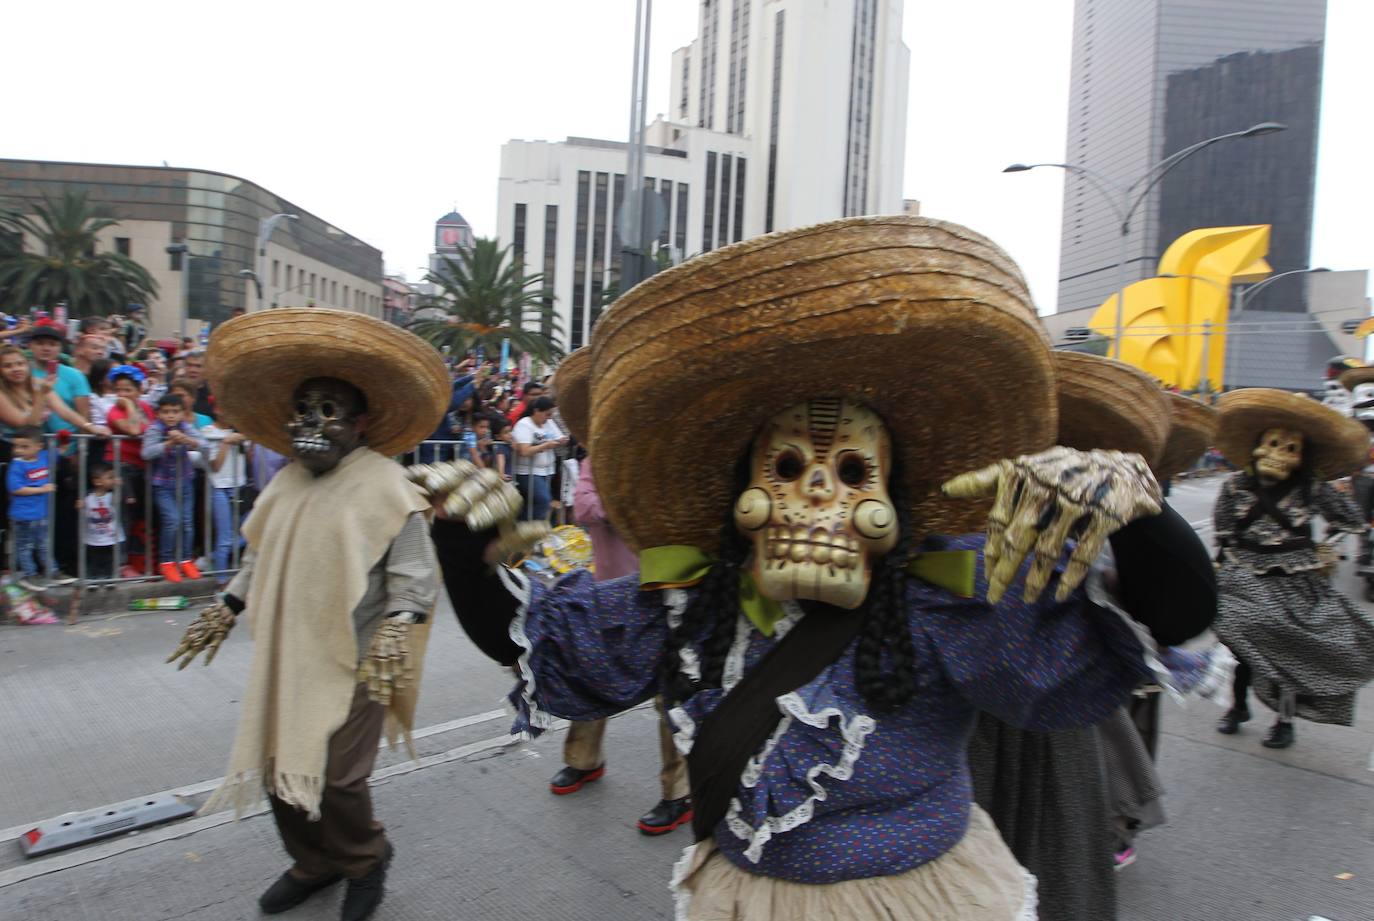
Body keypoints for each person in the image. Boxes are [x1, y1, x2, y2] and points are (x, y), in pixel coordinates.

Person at [429, 216, 1216, 921]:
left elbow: (1173, 620)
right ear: (744, 496)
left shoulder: (942, 597)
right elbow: (533, 646)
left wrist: (1141, 513)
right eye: (788, 466)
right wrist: (468, 544)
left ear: (893, 501)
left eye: (850, 472)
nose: (816, 494)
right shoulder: (692, 599)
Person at [166, 307, 450, 921]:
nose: (310, 424)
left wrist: (398, 626)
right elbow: (262, 554)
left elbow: (414, 577)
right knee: (279, 769)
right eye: (303, 409)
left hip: (359, 660)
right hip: (290, 655)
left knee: (340, 781)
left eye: (328, 410)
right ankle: (313, 863)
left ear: (361, 421)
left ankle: (364, 857)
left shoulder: (387, 486)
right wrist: (226, 604)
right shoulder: (288, 482)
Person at [545, 349, 694, 834]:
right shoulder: (596, 455)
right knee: (589, 670)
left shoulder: (674, 451)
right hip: (610, 589)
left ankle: (679, 792)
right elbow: (585, 506)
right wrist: (627, 505)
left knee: (671, 694)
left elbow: (676, 514)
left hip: (667, 591)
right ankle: (585, 759)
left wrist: (627, 504)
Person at [1212, 388, 1374, 749]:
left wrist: (1326, 544)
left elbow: (1352, 520)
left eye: (1290, 448)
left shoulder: (1310, 488)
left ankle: (1284, 721)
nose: (1278, 454)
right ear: (1257, 446)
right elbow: (1224, 532)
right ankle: (1237, 707)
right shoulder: (1236, 485)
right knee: (1242, 645)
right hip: (1246, 575)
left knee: (1289, 651)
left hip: (1295, 580)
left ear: (1302, 456)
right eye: (1273, 444)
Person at [142, 393, 207, 583]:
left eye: (175, 412)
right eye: (166, 412)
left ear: (182, 414)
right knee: (172, 521)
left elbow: (204, 445)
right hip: (162, 484)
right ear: (159, 414)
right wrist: (168, 443)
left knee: (187, 522)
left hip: (185, 482)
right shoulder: (154, 429)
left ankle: (186, 559)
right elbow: (146, 453)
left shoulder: (186, 428)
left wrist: (188, 441)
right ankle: (167, 561)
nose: (171, 416)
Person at [7, 426, 55, 591]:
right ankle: (29, 575)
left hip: (40, 513)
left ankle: (52, 571)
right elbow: (16, 489)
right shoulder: (16, 465)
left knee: (43, 544)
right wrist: (42, 489)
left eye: (24, 446)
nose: (18, 450)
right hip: (22, 515)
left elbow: (59, 454)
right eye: (16, 446)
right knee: (25, 547)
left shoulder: (43, 457)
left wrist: (63, 441)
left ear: (38, 446)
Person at [202, 418, 247, 575]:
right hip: (219, 486)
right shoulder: (208, 431)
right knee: (224, 537)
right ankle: (221, 581)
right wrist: (226, 443)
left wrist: (245, 437)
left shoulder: (242, 430)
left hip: (240, 486)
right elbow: (215, 466)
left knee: (250, 530)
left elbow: (248, 458)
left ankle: (212, 556)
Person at [511, 396, 564, 522]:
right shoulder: (524, 424)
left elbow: (559, 437)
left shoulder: (548, 423)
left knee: (541, 502)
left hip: (546, 471)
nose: (549, 418)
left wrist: (562, 440)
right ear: (536, 411)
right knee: (544, 501)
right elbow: (524, 451)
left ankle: (530, 529)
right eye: (547, 414)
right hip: (528, 472)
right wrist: (545, 445)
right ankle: (525, 528)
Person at [80, 461, 125, 580]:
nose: (113, 480)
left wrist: (117, 487)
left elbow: (117, 500)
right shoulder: (87, 497)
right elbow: (81, 508)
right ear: (97, 481)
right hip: (93, 538)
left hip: (110, 537)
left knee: (110, 560)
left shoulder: (111, 496)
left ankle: (109, 578)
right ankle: (92, 579)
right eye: (110, 477)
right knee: (94, 560)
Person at [181, 348, 216, 421]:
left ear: (207, 369)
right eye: (189, 365)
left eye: (198, 366)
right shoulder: (175, 390)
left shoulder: (215, 393)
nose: (192, 370)